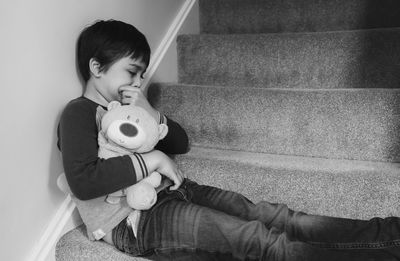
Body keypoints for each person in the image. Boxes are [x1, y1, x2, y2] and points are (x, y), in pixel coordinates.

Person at [58, 19, 400, 261]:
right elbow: (84, 181)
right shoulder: (79, 113)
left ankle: (385, 233)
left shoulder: (133, 108)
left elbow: (181, 142)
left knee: (276, 217)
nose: (138, 80)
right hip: (135, 221)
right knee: (260, 242)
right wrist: (154, 160)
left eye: (142, 74)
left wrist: (151, 112)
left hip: (178, 188)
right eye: (132, 71)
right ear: (97, 67)